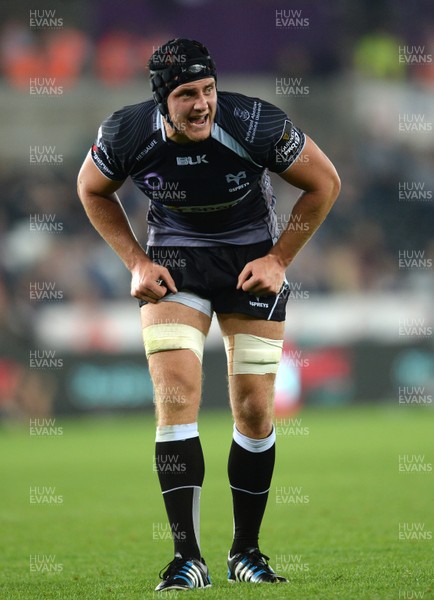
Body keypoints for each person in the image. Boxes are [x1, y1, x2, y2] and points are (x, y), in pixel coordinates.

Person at [77, 38, 340, 592]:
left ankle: (246, 552)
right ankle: (185, 558)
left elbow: (324, 183)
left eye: (208, 90)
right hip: (175, 262)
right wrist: (136, 261)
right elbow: (91, 189)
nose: (202, 105)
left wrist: (279, 259)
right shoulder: (125, 133)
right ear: (160, 100)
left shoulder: (255, 122)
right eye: (186, 95)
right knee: (175, 396)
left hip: (252, 262)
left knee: (253, 409)